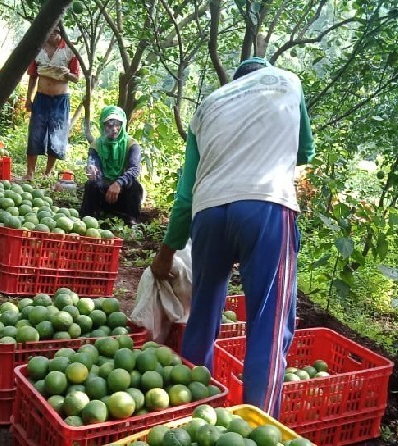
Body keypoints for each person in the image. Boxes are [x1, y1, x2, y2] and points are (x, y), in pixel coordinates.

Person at [150, 57, 315, 418]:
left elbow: (186, 194)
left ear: (235, 81)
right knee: (268, 324)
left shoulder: (209, 106)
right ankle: (257, 426)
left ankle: (192, 411)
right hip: (265, 205)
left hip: (208, 211)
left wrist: (167, 251)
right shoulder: (286, 81)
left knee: (203, 312)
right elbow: (304, 151)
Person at [24, 25, 81, 180]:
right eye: (49, 32)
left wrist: (66, 74)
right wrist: (29, 98)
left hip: (60, 100)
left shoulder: (69, 50)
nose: (52, 35)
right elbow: (33, 76)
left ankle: (47, 173)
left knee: (57, 136)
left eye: (55, 32)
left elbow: (76, 78)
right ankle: (30, 173)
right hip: (41, 98)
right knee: (35, 134)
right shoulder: (38, 48)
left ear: (60, 33)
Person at [80, 106, 144, 225]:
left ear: (122, 125)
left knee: (135, 186)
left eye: (117, 125)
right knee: (91, 184)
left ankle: (131, 220)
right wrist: (91, 168)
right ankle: (88, 218)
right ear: (103, 126)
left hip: (123, 193)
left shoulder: (131, 145)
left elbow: (134, 169)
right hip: (104, 193)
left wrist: (118, 183)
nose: (114, 129)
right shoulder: (96, 145)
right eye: (109, 125)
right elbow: (93, 162)